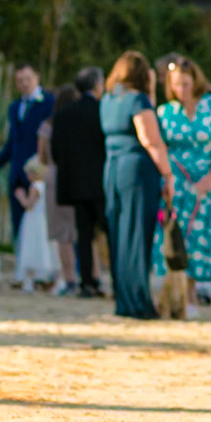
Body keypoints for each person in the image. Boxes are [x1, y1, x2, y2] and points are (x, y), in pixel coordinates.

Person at [152, 56, 211, 321]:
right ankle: (188, 301)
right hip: (178, 185)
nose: (181, 90)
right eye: (176, 85)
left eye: (185, 84)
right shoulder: (165, 112)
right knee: (184, 241)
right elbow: (161, 147)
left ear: (196, 81)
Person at [100, 51, 173, 320]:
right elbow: (151, 140)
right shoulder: (137, 100)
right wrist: (168, 175)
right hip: (137, 171)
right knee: (137, 236)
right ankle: (139, 302)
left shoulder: (107, 99)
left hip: (112, 169)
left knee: (119, 236)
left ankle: (124, 299)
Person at [49, 67, 107, 298]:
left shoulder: (63, 115)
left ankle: (86, 282)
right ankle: (113, 278)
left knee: (84, 234)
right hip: (101, 182)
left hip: (76, 184)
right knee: (107, 231)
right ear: (97, 85)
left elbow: (56, 152)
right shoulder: (103, 111)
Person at [0, 63, 55, 240]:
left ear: (37, 77)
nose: (24, 83)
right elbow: (13, 142)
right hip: (18, 174)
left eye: (27, 79)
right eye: (20, 80)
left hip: (40, 174)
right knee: (20, 229)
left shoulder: (50, 102)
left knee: (41, 230)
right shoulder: (14, 107)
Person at [39, 85, 80, 294]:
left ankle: (70, 278)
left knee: (63, 234)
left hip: (56, 176)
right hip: (79, 176)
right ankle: (91, 276)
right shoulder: (79, 124)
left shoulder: (48, 126)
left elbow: (43, 157)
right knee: (81, 230)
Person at [12, 159, 59, 289]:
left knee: (32, 246)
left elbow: (29, 205)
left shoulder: (35, 187)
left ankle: (30, 279)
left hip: (33, 221)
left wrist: (21, 197)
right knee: (44, 246)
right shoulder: (47, 186)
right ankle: (47, 278)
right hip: (44, 220)